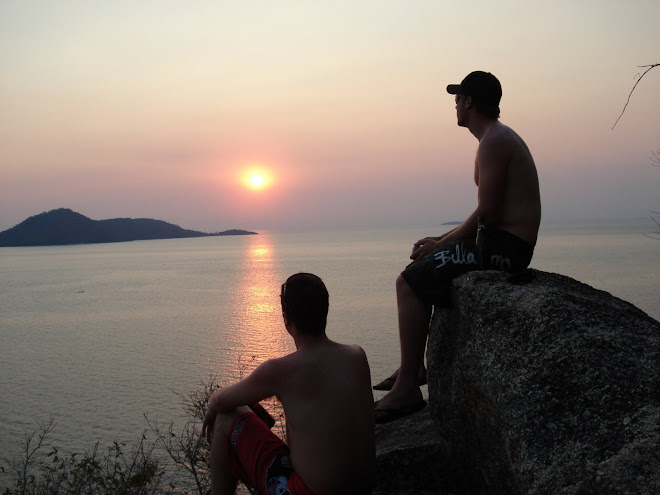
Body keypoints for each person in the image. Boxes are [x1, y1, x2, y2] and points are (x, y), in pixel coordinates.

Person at [373, 71, 542, 423]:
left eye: (457, 98)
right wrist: (442, 242)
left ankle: (407, 388)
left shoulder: (494, 141)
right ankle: (412, 369)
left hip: (504, 249)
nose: (454, 104)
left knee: (409, 282)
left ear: (469, 102)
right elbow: (487, 211)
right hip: (501, 242)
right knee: (421, 273)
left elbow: (489, 213)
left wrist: (442, 245)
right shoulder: (496, 138)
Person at [202, 272, 375, 495]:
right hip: (362, 491)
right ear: (325, 311)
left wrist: (212, 412)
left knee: (227, 417)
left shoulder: (282, 370)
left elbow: (220, 400)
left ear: (286, 319)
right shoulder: (356, 356)